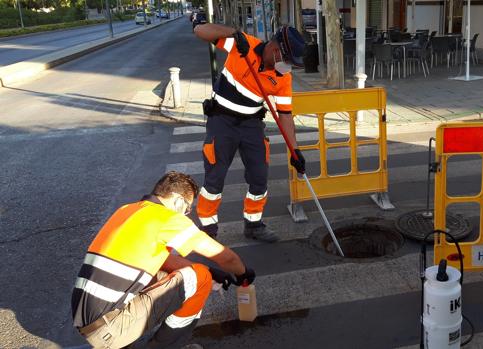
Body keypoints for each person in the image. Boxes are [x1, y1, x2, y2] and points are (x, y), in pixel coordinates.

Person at [71, 171, 256, 349]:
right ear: (177, 200)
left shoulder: (128, 210)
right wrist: (243, 273)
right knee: (200, 280)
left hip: (88, 321)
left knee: (180, 273)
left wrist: (210, 269)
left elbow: (162, 260)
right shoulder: (167, 218)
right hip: (109, 329)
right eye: (187, 207)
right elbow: (225, 256)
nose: (186, 213)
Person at [193, 23, 307, 242]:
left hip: (251, 126)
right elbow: (200, 31)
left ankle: (254, 224)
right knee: (214, 178)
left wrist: (295, 151)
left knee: (259, 177)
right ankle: (208, 230)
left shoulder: (283, 79)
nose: (288, 67)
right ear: (276, 51)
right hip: (221, 121)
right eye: (289, 61)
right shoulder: (242, 46)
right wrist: (233, 33)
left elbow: (285, 116)